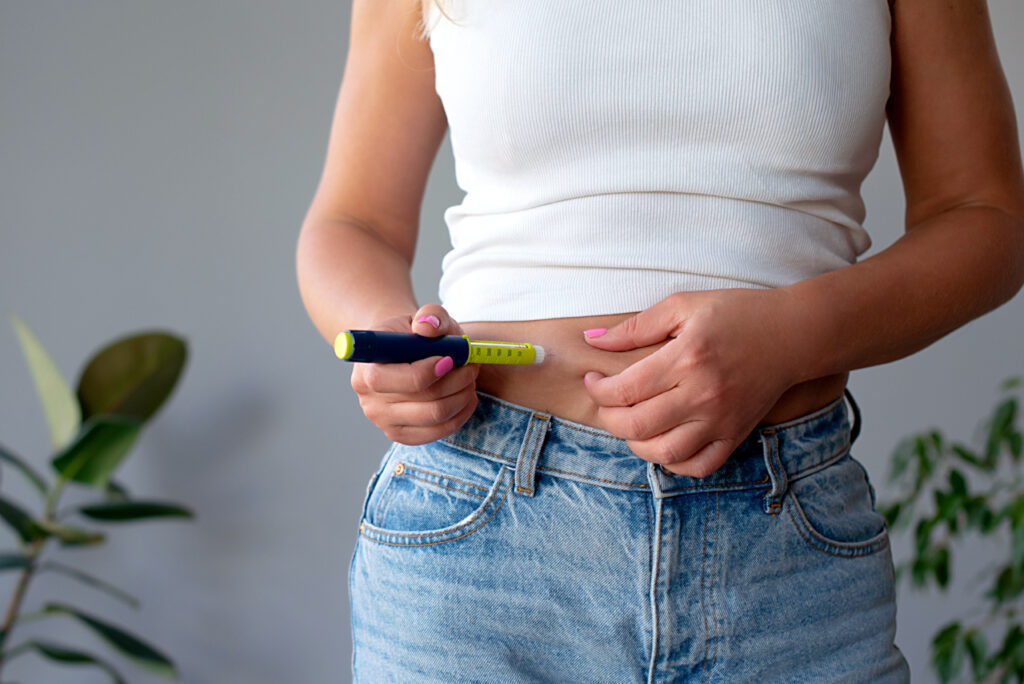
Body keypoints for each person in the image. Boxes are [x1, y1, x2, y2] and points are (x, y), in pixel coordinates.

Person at [296, 0, 1024, 680]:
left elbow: (985, 215)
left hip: (785, 540)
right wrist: (389, 338)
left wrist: (794, 335)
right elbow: (354, 223)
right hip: (477, 533)